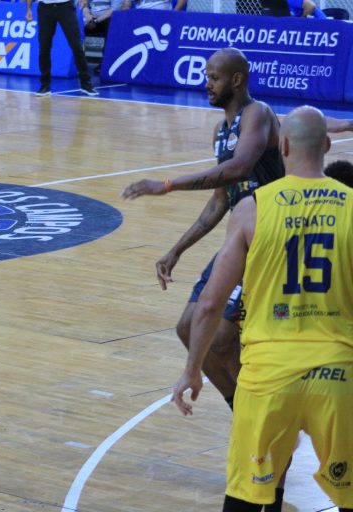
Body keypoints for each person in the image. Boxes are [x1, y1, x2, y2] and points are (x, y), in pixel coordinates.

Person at [121, 47, 353, 511]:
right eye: (206, 75)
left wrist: (165, 185)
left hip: (273, 236)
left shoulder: (258, 114)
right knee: (189, 328)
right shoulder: (221, 130)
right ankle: (243, 409)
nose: (206, 83)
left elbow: (239, 168)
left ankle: (266, 425)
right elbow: (221, 199)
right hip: (248, 230)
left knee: (222, 333)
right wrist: (177, 248)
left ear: (237, 80)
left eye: (213, 76)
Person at [171, 106, 353, 512]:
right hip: (338, 376)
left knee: (247, 500)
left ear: (282, 146)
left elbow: (210, 303)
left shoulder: (252, 209)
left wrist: (192, 369)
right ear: (327, 145)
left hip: (268, 378)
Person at [25, 0, 99, 97]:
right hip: (45, 8)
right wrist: (29, 9)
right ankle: (44, 86)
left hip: (65, 6)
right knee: (44, 47)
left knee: (76, 46)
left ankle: (86, 84)